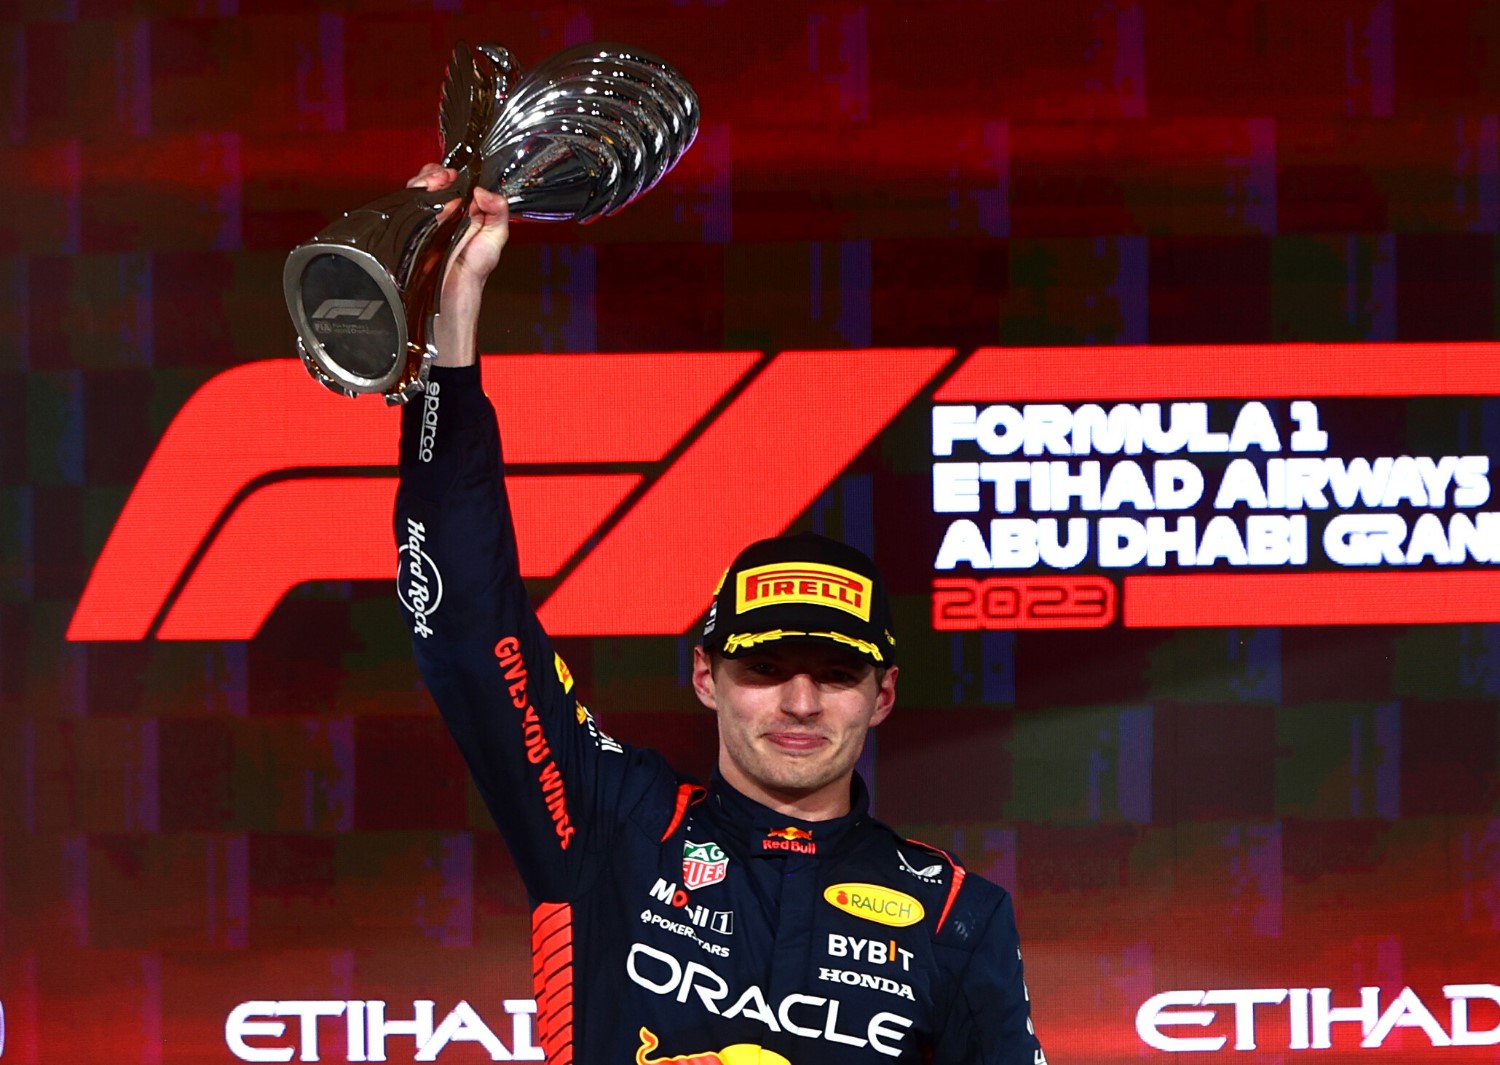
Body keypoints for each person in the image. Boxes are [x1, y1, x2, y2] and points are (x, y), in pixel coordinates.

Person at [395, 163, 1048, 1064]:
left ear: (883, 694)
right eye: (766, 669)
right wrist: (451, 318)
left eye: (836, 674)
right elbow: (467, 623)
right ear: (706, 675)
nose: (802, 702)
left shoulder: (956, 914)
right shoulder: (614, 824)